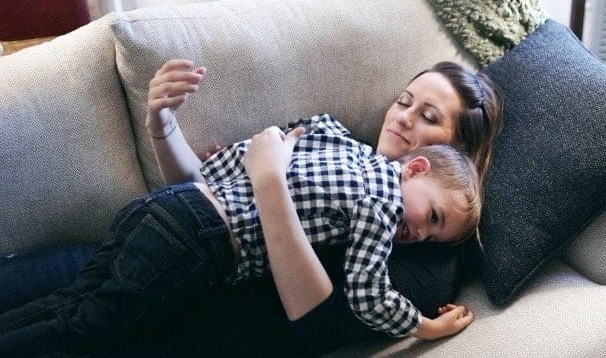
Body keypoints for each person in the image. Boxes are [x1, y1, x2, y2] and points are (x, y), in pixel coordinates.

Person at [0, 59, 502, 356]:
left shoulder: (427, 252)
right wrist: (162, 125)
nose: (402, 118)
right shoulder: (335, 146)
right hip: (175, 232)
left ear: (452, 152)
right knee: (57, 315)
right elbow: (210, 192)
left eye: (428, 116)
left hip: (172, 319)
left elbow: (316, 321)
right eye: (404, 100)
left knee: (66, 327)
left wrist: (268, 179)